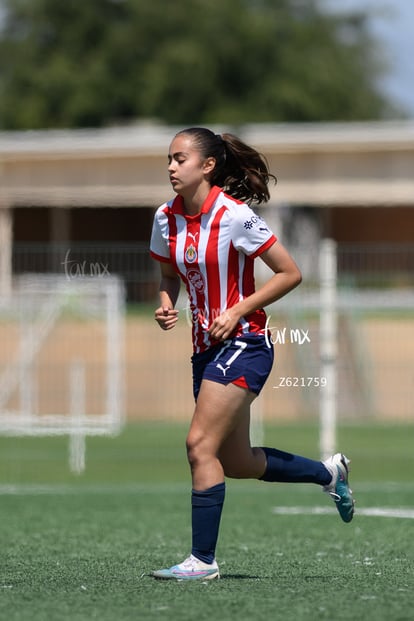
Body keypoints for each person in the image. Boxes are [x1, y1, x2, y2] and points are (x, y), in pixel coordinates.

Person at [149, 127, 354, 581]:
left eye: (180, 158)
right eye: (168, 158)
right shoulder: (165, 217)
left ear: (207, 166)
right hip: (204, 350)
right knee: (236, 461)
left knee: (199, 445)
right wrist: (167, 305)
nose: (170, 166)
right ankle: (328, 474)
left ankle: (202, 561)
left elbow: (290, 272)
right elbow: (167, 277)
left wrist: (238, 309)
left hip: (245, 342)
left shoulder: (235, 215)